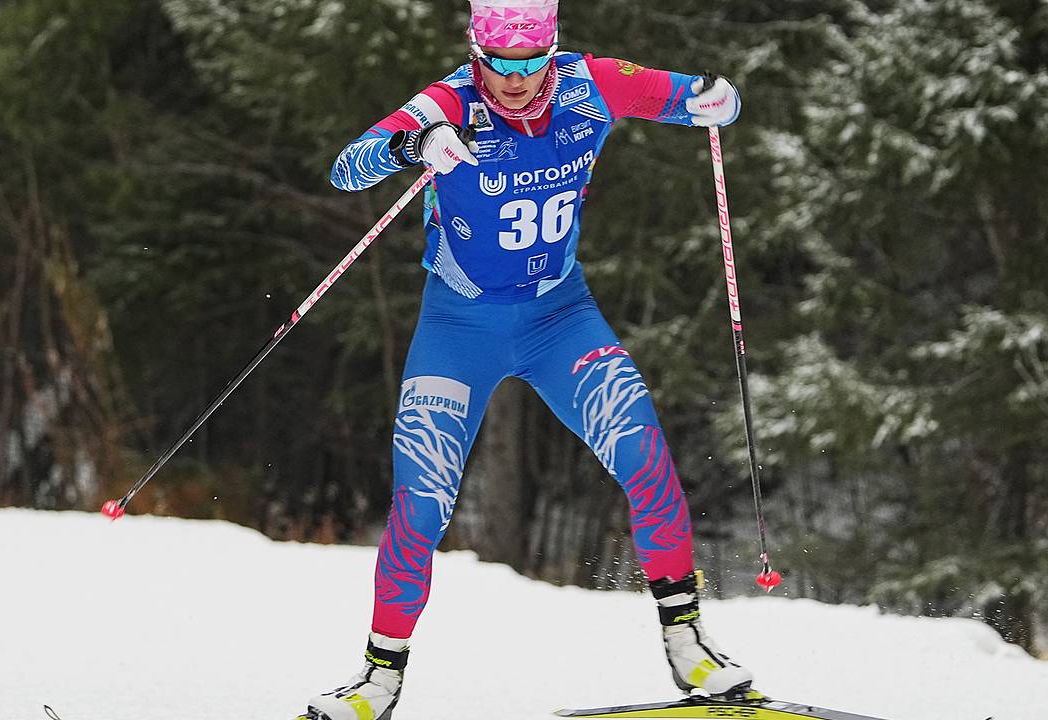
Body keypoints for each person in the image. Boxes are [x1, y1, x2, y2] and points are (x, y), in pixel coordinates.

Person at [306, 2, 750, 718]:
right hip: (459, 327)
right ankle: (377, 678)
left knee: (643, 453)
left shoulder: (591, 84)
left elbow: (699, 97)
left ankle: (688, 644)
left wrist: (718, 99)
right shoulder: (448, 102)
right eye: (498, 63)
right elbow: (346, 168)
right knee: (421, 502)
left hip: (558, 318)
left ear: (552, 51)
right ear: (476, 51)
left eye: (529, 63)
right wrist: (414, 146)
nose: (513, 81)